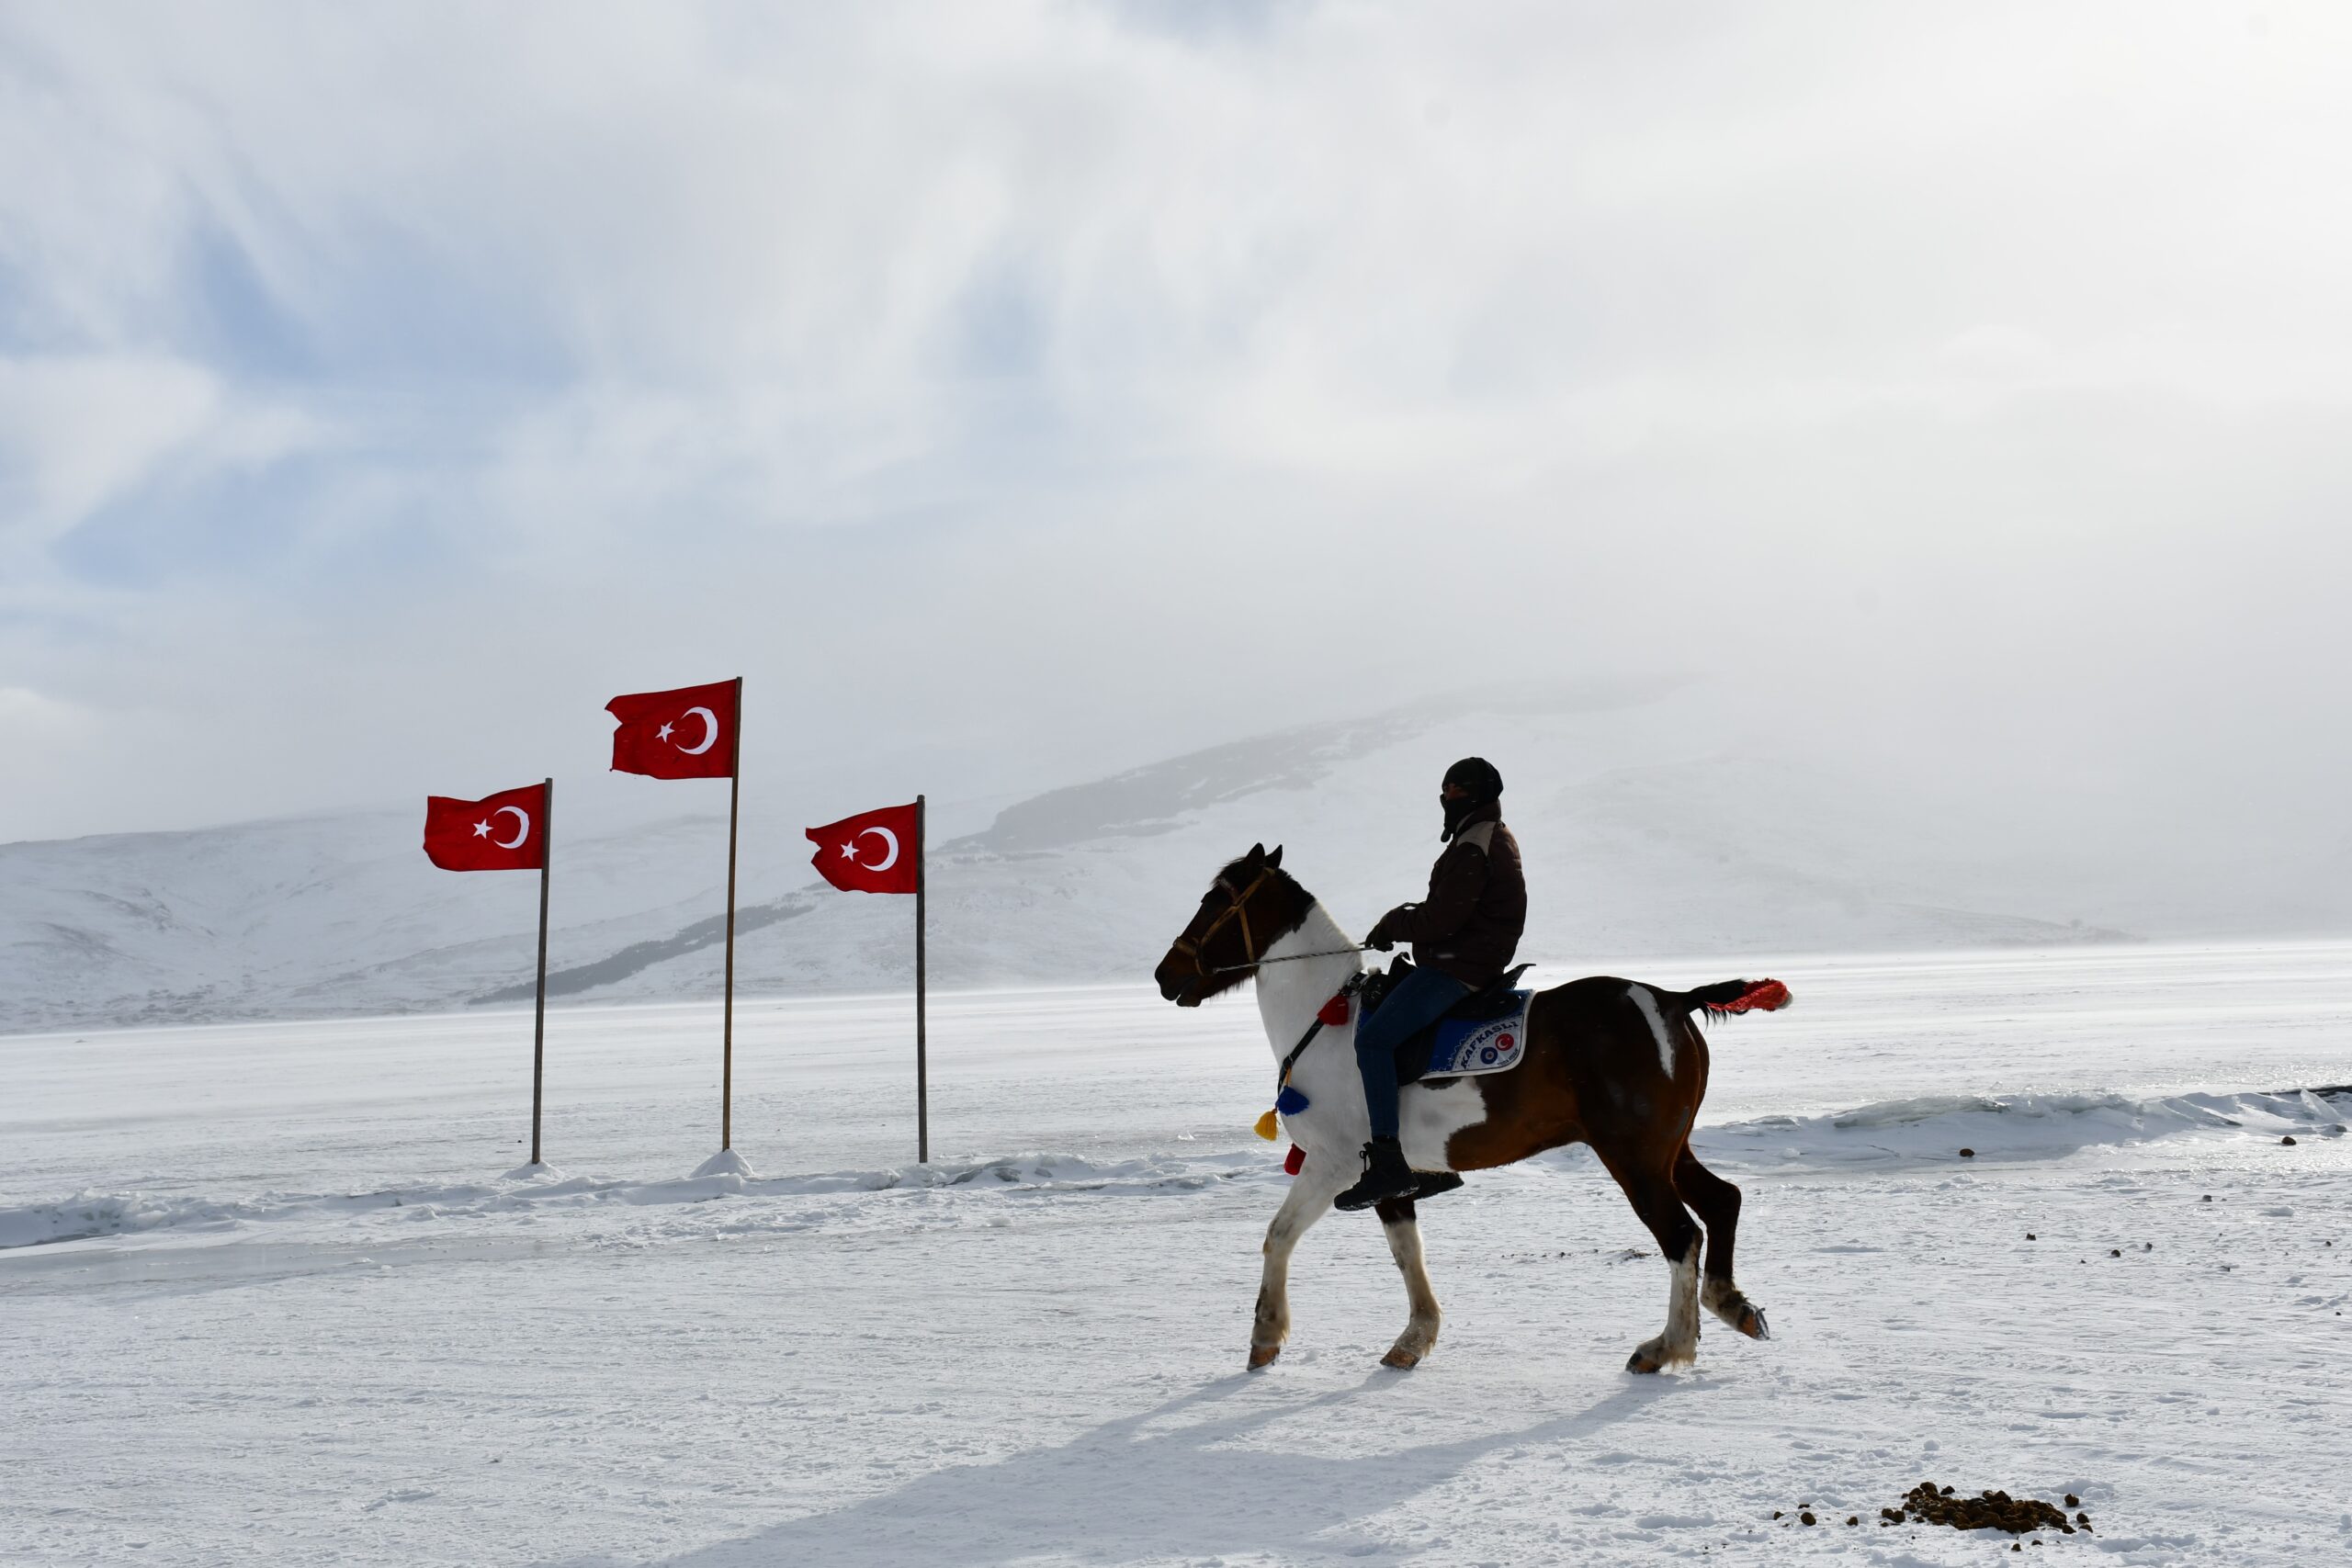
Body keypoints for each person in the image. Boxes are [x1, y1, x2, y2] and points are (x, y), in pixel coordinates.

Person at [1332, 756, 1528, 1212]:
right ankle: (1430, 1166)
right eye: (1444, 790)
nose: (1446, 798)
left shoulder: (1474, 844)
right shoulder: (1485, 834)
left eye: (1456, 790)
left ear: (1477, 794)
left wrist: (1393, 923)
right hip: (1469, 960)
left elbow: (1443, 918)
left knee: (1374, 1042)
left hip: (1459, 969)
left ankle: (1388, 1162)